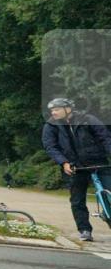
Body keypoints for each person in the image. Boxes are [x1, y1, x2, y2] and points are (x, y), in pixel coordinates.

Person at [42, 98, 111, 242]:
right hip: (74, 166)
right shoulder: (50, 126)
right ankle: (85, 230)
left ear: (68, 109)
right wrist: (64, 162)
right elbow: (51, 147)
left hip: (98, 162)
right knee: (77, 200)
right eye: (52, 110)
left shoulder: (87, 119)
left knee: (109, 192)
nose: (53, 112)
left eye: (57, 109)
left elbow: (105, 138)